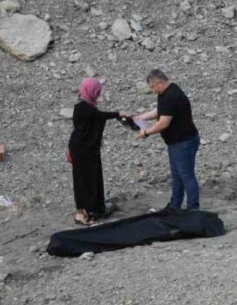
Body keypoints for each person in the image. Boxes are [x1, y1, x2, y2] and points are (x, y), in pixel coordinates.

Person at [135, 70, 201, 210]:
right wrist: (143, 117)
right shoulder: (167, 92)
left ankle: (193, 208)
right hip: (177, 142)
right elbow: (162, 110)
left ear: (160, 82)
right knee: (177, 176)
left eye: (153, 87)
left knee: (187, 176)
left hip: (183, 142)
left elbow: (163, 122)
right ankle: (175, 205)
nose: (152, 90)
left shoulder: (170, 95)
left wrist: (145, 132)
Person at [68, 77, 131, 225]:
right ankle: (84, 213)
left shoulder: (85, 105)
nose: (98, 95)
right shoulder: (84, 107)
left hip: (85, 149)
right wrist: (118, 113)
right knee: (85, 180)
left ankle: (92, 209)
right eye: (97, 92)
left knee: (89, 178)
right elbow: (99, 116)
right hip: (83, 151)